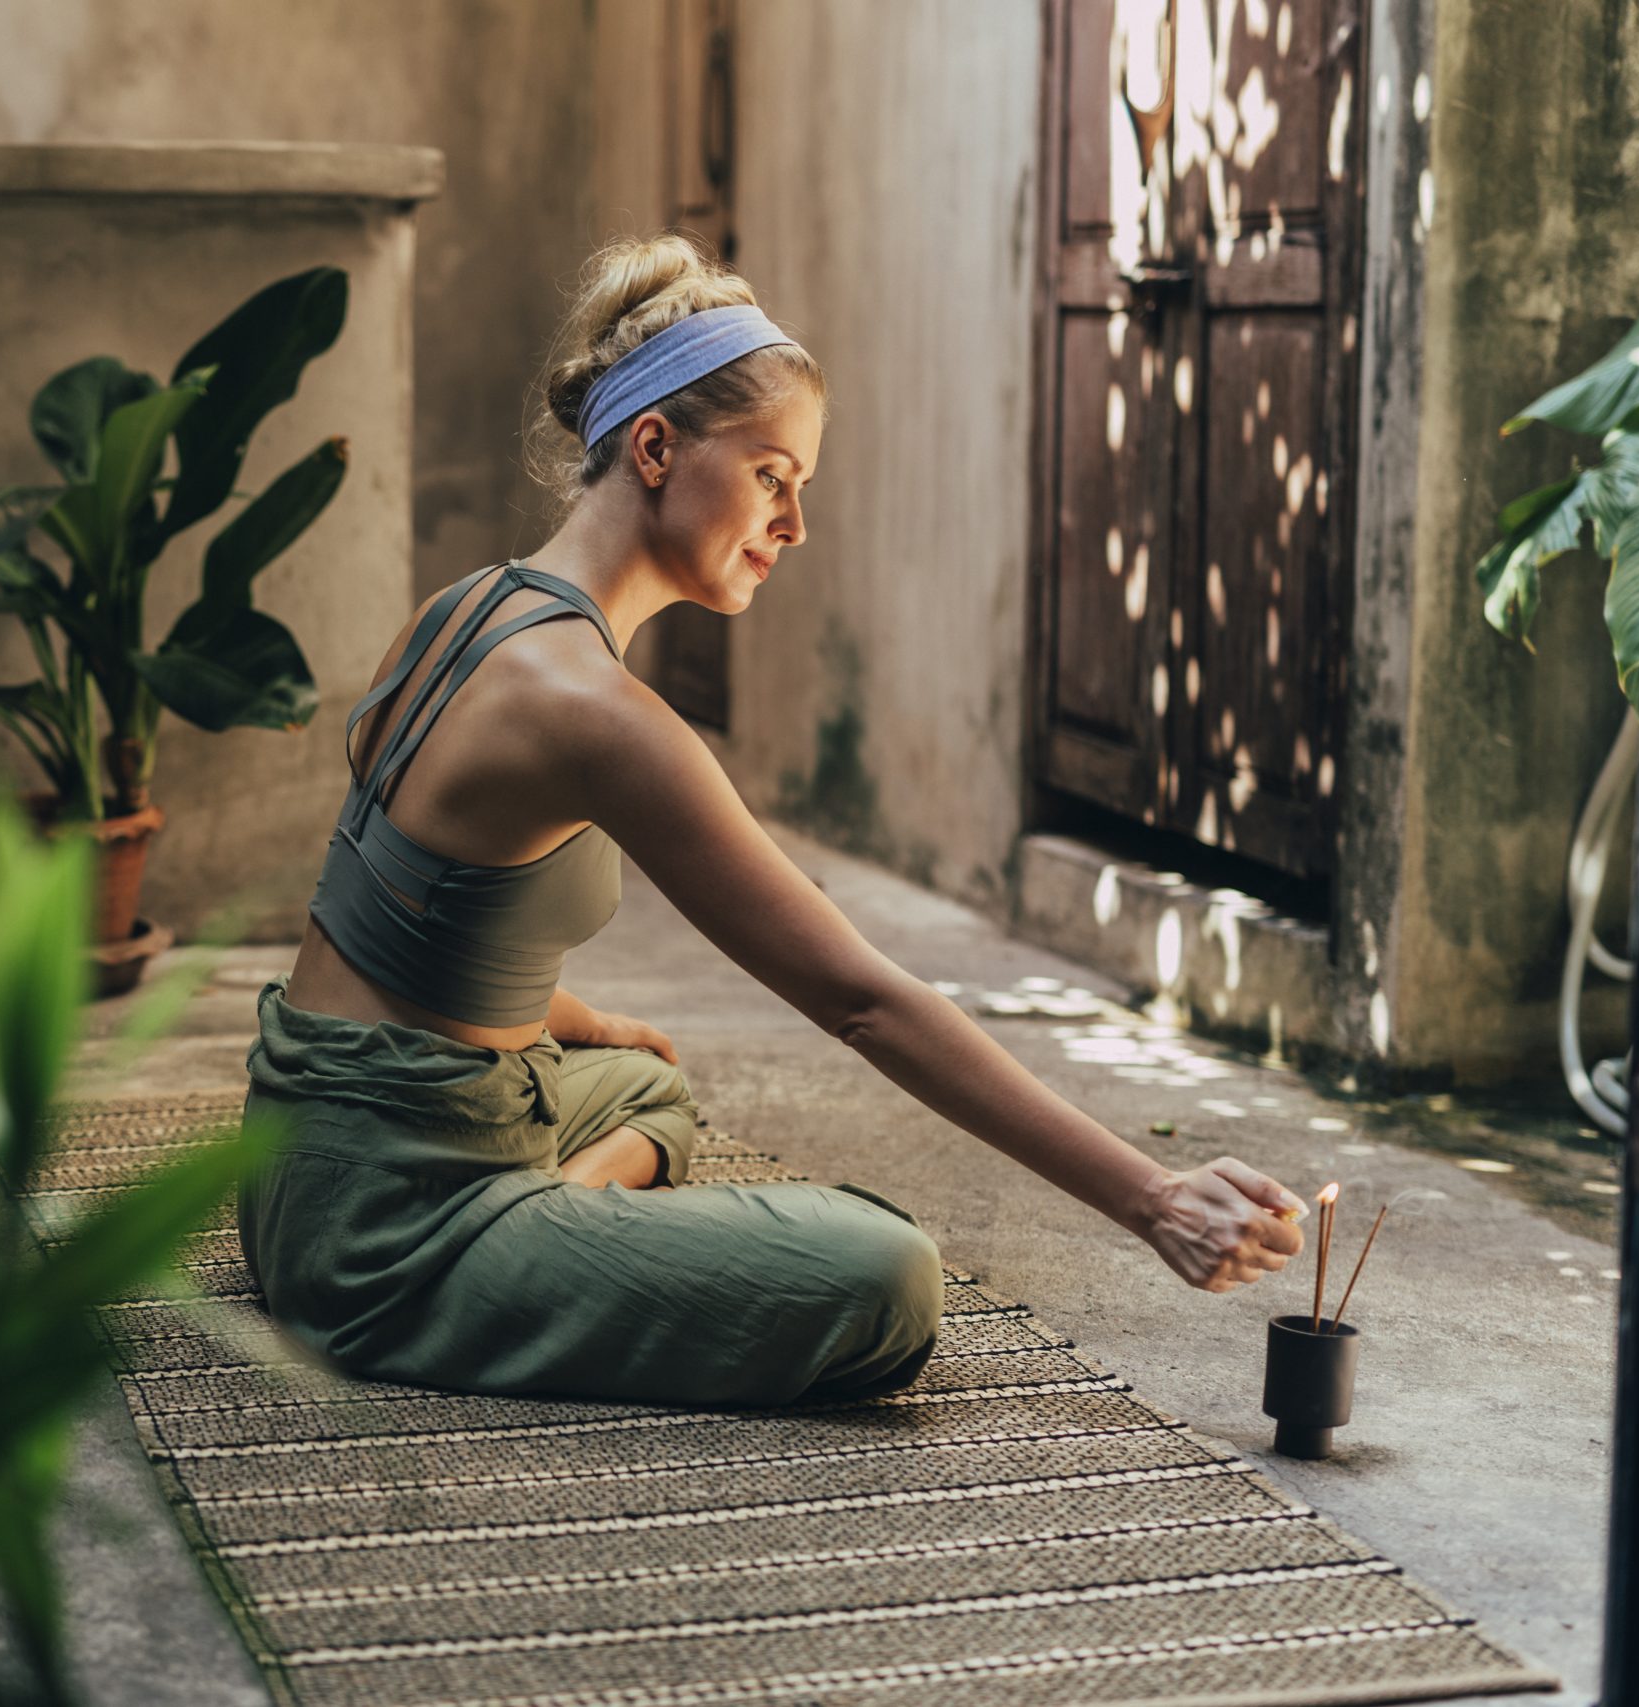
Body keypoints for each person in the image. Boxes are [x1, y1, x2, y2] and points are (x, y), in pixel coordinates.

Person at [236, 233, 1308, 1409]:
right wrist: (1150, 1199)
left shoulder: (468, 610)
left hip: (293, 1150)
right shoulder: (599, 714)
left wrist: (577, 1018)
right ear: (655, 447)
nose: (792, 524)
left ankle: (543, 1227)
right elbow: (863, 1000)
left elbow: (388, 901)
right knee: (885, 1278)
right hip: (382, 1237)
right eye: (770, 476)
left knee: (650, 1087)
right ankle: (507, 1247)